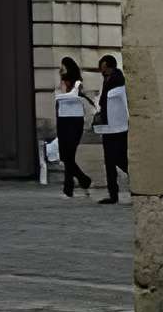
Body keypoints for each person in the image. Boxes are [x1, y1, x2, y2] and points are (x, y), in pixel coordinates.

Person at [54, 59, 94, 196]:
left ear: (69, 68)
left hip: (75, 120)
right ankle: (80, 180)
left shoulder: (78, 82)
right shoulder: (60, 82)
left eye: (63, 66)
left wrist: (59, 97)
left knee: (69, 154)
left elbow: (73, 96)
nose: (61, 69)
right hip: (62, 119)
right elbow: (58, 99)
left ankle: (71, 185)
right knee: (65, 155)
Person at [97, 54, 129, 204]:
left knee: (119, 158)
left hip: (118, 126)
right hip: (108, 125)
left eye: (103, 68)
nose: (101, 71)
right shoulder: (107, 79)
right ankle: (113, 194)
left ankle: (137, 181)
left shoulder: (117, 79)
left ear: (109, 67)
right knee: (109, 161)